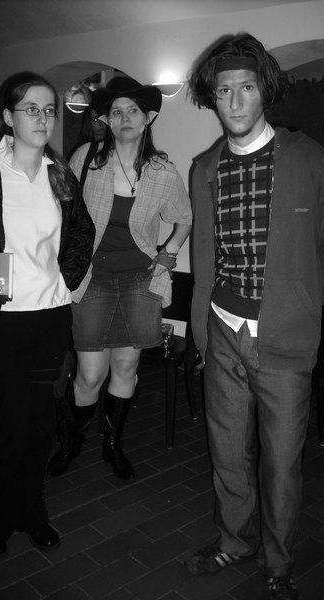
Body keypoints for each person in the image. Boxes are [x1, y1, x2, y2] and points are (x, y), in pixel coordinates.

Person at [184, 33, 324, 600]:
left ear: (265, 92)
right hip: (223, 331)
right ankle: (235, 540)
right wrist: (205, 327)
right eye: (223, 91)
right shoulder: (205, 168)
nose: (234, 101)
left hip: (283, 336)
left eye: (246, 88)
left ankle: (278, 562)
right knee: (228, 452)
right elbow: (205, 253)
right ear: (212, 97)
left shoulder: (308, 159)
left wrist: (297, 305)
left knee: (280, 463)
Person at [0, 72, 95, 559]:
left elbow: (81, 232)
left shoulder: (59, 174)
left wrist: (66, 280)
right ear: (9, 117)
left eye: (49, 109)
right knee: (9, 425)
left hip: (50, 317)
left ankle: (33, 513)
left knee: (41, 423)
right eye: (31, 109)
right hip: (2, 321)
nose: (42, 118)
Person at [68, 76, 192, 480]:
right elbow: (63, 211)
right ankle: (72, 441)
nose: (124, 118)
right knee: (90, 373)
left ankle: (112, 444)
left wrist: (168, 253)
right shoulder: (87, 158)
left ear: (147, 117)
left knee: (125, 367)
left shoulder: (162, 171)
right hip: (91, 278)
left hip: (140, 280)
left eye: (132, 110)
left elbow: (184, 218)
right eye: (116, 111)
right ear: (107, 118)